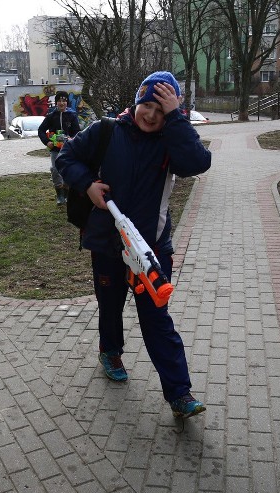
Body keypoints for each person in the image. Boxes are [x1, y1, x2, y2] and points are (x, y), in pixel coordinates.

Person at [57, 71, 212, 418]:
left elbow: (198, 162)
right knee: (109, 305)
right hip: (108, 243)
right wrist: (88, 185)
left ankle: (180, 394)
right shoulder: (108, 130)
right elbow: (67, 156)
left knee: (156, 318)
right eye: (148, 105)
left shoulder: (172, 140)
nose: (152, 115)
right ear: (137, 101)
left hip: (151, 249)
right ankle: (110, 350)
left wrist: (176, 119)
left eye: (162, 109)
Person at [38, 91, 81, 205]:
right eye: (59, 101)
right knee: (55, 169)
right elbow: (41, 130)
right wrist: (47, 142)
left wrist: (71, 139)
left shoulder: (72, 116)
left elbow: (77, 132)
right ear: (56, 102)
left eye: (64, 101)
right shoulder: (51, 116)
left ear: (67, 102)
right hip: (55, 150)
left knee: (67, 170)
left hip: (69, 149)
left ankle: (66, 195)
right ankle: (59, 195)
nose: (62, 103)